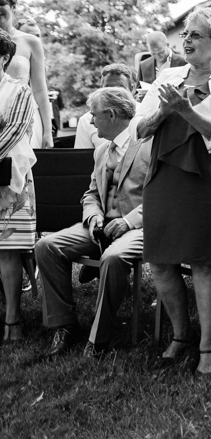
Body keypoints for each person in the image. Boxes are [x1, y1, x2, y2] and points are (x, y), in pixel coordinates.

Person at [135, 7, 211, 374]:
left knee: (203, 260)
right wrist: (166, 113)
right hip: (166, 174)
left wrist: (185, 110)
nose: (186, 40)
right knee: (161, 260)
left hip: (208, 176)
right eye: (185, 34)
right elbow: (140, 129)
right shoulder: (167, 75)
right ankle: (181, 336)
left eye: (196, 34)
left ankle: (209, 345)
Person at [36, 87, 149, 356]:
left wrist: (129, 222)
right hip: (100, 226)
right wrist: (94, 215)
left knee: (113, 258)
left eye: (93, 114)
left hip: (140, 227)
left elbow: (164, 195)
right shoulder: (100, 152)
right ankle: (64, 325)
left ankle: (98, 339)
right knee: (46, 246)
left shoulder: (149, 146)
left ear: (110, 115)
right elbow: (91, 194)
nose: (90, 120)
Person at [0, 30, 37, 342]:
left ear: (3, 58)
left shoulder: (19, 92)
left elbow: (12, 132)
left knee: (6, 251)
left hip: (8, 180)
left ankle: (13, 319)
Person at [0, 0, 53, 148]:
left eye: (1, 3)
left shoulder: (31, 42)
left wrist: (47, 131)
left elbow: (39, 89)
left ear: (13, 7)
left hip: (24, 114)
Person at [75, 64, 137, 149]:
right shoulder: (86, 120)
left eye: (120, 88)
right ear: (100, 88)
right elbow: (82, 158)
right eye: (108, 88)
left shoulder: (145, 115)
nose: (113, 94)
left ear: (132, 89)